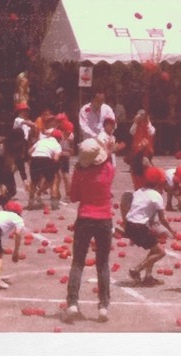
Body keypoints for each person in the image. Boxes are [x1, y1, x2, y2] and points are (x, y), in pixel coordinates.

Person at [65, 138, 115, 322]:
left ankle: (72, 303)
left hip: (85, 217)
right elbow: (107, 160)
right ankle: (103, 306)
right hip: (104, 219)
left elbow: (73, 197)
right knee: (102, 263)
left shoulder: (79, 173)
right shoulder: (108, 169)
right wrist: (107, 151)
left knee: (78, 262)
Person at [125, 166, 176, 286]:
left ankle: (148, 276)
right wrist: (171, 230)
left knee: (154, 248)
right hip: (139, 227)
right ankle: (136, 269)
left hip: (130, 224)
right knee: (160, 252)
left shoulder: (139, 191)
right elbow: (162, 219)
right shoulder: (156, 196)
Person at [0, 128, 29, 209]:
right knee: (6, 189)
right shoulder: (2, 147)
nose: (19, 143)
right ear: (12, 140)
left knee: (12, 191)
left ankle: (1, 204)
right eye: (17, 141)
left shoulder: (21, 146)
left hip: (6, 167)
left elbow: (20, 163)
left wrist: (25, 179)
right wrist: (1, 184)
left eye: (21, 141)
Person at [27, 129, 62, 210]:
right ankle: (54, 205)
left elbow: (29, 151)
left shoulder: (41, 141)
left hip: (35, 158)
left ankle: (30, 203)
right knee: (53, 181)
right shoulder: (57, 145)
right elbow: (56, 158)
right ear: (59, 139)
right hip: (46, 159)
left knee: (34, 182)